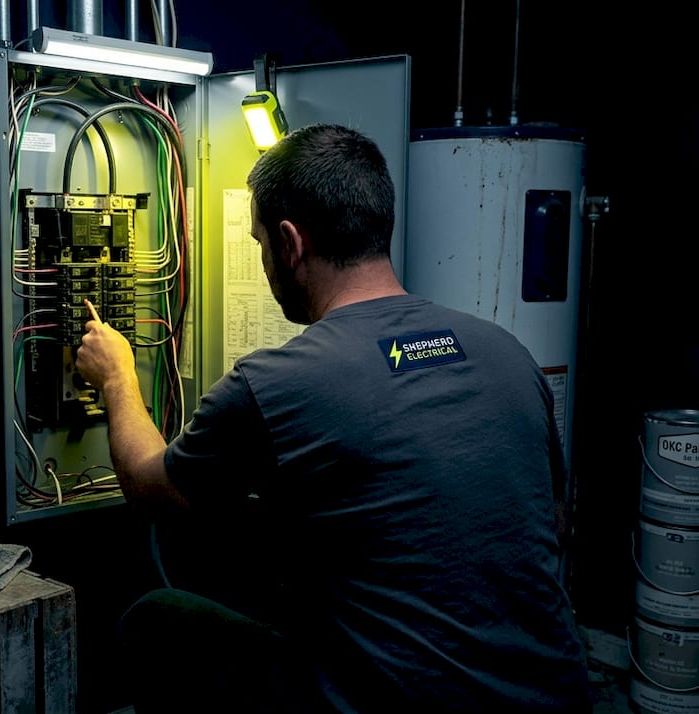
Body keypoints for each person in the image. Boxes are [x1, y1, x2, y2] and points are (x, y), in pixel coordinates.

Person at [74, 123, 591, 713]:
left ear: (290, 243)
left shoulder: (274, 382)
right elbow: (553, 518)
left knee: (158, 618)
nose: (266, 260)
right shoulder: (505, 350)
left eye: (261, 243)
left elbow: (148, 488)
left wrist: (117, 377)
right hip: (556, 697)